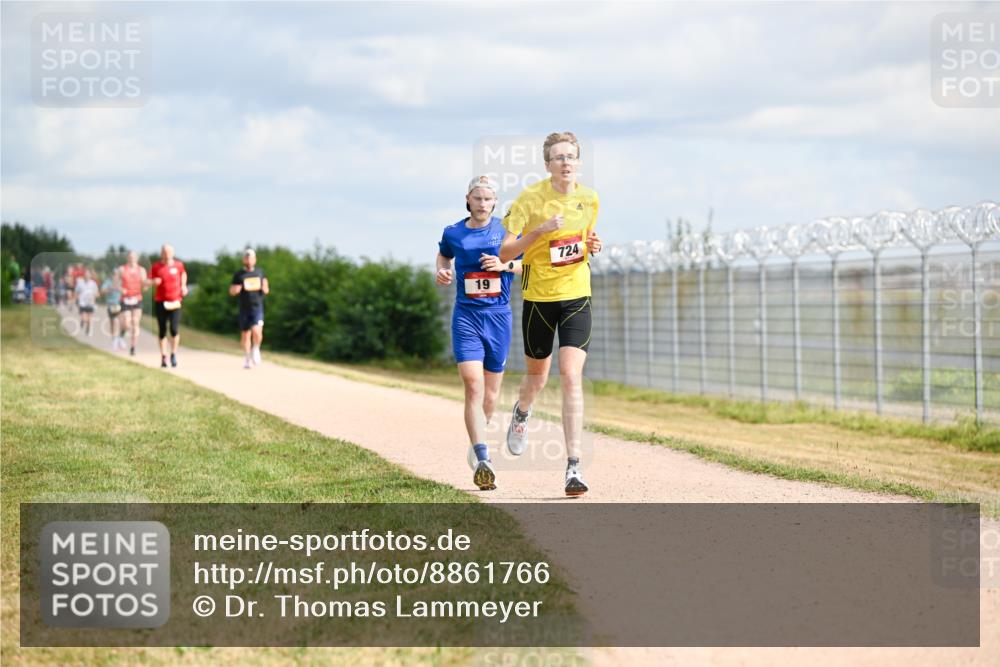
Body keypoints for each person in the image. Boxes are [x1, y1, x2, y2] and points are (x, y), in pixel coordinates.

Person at [498, 131, 603, 497]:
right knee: (537, 379)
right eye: (558, 157)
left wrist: (593, 244)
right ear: (547, 164)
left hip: (577, 294)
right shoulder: (529, 199)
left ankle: (573, 466)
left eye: (570, 156)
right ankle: (522, 411)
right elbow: (504, 253)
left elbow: (585, 241)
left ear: (578, 161)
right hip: (539, 298)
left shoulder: (589, 198)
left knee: (571, 376)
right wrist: (539, 232)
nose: (565, 162)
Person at [437, 176, 522, 491]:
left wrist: (504, 266)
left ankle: (478, 442)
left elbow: (528, 266)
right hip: (467, 316)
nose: (483, 204)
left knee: (491, 394)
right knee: (473, 386)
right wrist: (442, 270)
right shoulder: (453, 232)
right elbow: (445, 255)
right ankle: (483, 457)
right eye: (478, 198)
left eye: (488, 199)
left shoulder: (508, 232)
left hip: (498, 317)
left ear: (495, 202)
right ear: (468, 200)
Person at [229, 248, 269, 369]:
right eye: (247, 257)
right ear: (243, 259)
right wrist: (235, 290)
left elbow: (266, 288)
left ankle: (256, 348)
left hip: (257, 307)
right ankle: (247, 357)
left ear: (255, 259)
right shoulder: (239, 275)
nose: (249, 260)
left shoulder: (260, 272)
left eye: (251, 257)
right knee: (246, 335)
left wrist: (265, 288)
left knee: (257, 331)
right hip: (244, 308)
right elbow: (231, 290)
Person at [149, 244, 187, 368]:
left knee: (174, 329)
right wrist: (153, 282)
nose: (166, 254)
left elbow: (183, 274)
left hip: (175, 301)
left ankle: (174, 354)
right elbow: (148, 280)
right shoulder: (156, 267)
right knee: (162, 330)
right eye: (164, 252)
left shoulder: (178, 265)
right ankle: (163, 356)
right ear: (161, 253)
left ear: (172, 253)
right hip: (161, 301)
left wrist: (183, 286)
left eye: (169, 252)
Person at [119, 251, 148, 356]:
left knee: (135, 323)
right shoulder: (122, 269)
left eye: (134, 257)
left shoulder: (141, 270)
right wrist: (120, 289)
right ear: (127, 258)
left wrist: (146, 286)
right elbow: (115, 283)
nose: (132, 259)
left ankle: (133, 347)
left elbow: (144, 285)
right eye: (130, 257)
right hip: (125, 299)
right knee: (126, 323)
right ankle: (122, 332)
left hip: (137, 299)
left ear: (137, 258)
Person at [101, 268, 125, 350]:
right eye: (114, 274)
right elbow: (103, 291)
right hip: (111, 304)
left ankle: (120, 338)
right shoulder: (108, 282)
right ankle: (114, 340)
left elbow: (126, 291)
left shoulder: (122, 282)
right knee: (113, 322)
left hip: (120, 304)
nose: (115, 276)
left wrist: (120, 289)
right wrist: (111, 288)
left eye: (116, 274)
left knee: (123, 323)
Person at [74, 269, 99, 335]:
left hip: (90, 303)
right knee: (84, 318)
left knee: (90, 318)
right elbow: (76, 292)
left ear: (90, 276)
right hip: (82, 303)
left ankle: (88, 329)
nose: (87, 276)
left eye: (88, 274)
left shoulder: (93, 283)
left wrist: (94, 298)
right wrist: (76, 301)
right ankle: (83, 321)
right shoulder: (80, 283)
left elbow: (96, 293)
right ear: (84, 275)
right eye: (86, 274)